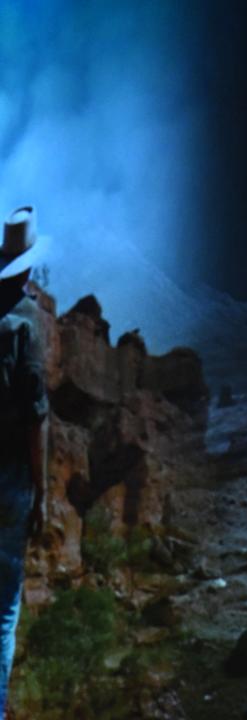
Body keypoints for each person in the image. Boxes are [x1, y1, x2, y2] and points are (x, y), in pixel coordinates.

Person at [0, 207, 48, 712]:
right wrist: (43, 497)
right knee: (3, 616)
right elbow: (37, 418)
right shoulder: (26, 321)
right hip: (10, 482)